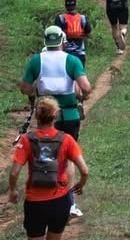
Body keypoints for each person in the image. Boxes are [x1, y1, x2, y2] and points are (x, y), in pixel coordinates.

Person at [7, 96, 89, 240]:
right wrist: (80, 184)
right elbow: (84, 170)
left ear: (37, 116)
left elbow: (15, 171)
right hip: (59, 200)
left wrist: (13, 191)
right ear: (55, 116)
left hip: (35, 201)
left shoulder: (27, 140)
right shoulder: (66, 139)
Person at [20, 26, 91, 218]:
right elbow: (86, 87)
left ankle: (43, 196)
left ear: (45, 41)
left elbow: (25, 88)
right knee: (67, 157)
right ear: (62, 40)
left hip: (45, 116)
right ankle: (69, 203)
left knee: (44, 154)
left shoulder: (36, 61)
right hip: (68, 116)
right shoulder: (72, 60)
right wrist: (81, 96)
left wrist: (37, 89)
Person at [54, 0, 92, 67]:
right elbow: (89, 35)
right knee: (80, 73)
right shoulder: (83, 18)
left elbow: (56, 35)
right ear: (75, 5)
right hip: (80, 53)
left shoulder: (60, 18)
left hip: (64, 54)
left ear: (65, 6)